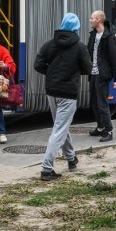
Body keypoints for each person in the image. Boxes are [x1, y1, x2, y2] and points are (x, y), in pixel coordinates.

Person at [34, 13, 92, 180]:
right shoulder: (80, 47)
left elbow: (38, 65)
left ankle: (71, 158)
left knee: (61, 126)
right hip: (68, 93)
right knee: (59, 129)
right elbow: (88, 69)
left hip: (51, 91)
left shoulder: (49, 44)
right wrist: (73, 72)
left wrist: (51, 73)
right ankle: (46, 168)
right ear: (76, 28)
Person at [87, 10, 116, 142]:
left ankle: (109, 130)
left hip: (103, 74)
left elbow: (114, 59)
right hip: (93, 73)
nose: (90, 20)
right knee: (94, 102)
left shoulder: (110, 37)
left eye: (92, 18)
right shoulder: (93, 35)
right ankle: (100, 127)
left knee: (102, 103)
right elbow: (88, 52)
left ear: (99, 20)